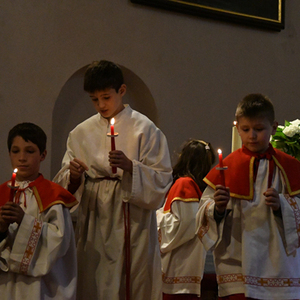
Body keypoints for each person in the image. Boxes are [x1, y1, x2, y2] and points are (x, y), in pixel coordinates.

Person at [53, 60, 173, 300]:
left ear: (122, 90)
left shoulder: (145, 129)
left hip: (133, 218)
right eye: (94, 99)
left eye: (106, 97)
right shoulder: (80, 133)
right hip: (95, 218)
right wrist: (74, 177)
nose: (101, 105)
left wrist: (131, 167)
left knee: (133, 280)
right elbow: (63, 183)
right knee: (94, 281)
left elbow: (162, 178)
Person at [197, 94, 300, 300]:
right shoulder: (226, 167)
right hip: (236, 263)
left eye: (259, 129)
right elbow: (202, 212)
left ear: (273, 127)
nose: (252, 135)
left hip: (278, 264)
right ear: (238, 129)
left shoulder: (289, 167)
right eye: (245, 129)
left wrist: (283, 205)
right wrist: (216, 208)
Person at [0, 122, 78, 300]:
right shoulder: (1, 194)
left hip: (41, 288)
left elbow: (59, 242)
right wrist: (1, 228)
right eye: (15, 151)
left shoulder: (53, 196)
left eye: (29, 151)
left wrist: (24, 221)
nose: (22, 158)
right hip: (5, 286)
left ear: (43, 155)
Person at [157, 139, 216, 300]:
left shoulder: (184, 184)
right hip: (183, 263)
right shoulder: (193, 186)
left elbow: (183, 226)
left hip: (179, 265)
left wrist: (155, 218)